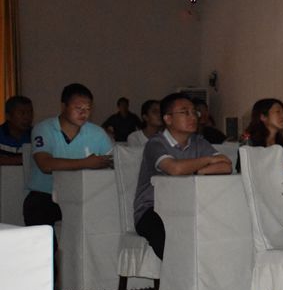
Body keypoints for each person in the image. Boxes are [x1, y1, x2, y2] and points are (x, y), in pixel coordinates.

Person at [133, 93, 232, 260]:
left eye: (194, 112)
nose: (192, 117)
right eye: (185, 112)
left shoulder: (199, 142)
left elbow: (226, 165)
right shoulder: (155, 144)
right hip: (152, 209)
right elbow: (174, 169)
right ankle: (177, 274)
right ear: (168, 119)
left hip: (188, 207)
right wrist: (208, 160)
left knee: (220, 226)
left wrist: (198, 171)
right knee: (169, 238)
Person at [24, 84, 113, 251]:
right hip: (46, 196)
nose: (83, 113)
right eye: (78, 108)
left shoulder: (97, 133)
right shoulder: (44, 129)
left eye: (88, 109)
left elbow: (114, 162)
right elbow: (45, 164)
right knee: (37, 211)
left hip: (83, 197)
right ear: (63, 106)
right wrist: (86, 163)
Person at [0, 95, 33, 165]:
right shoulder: (1, 134)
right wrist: (23, 159)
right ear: (8, 116)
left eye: (30, 112)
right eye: (22, 113)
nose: (27, 117)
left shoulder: (36, 135)